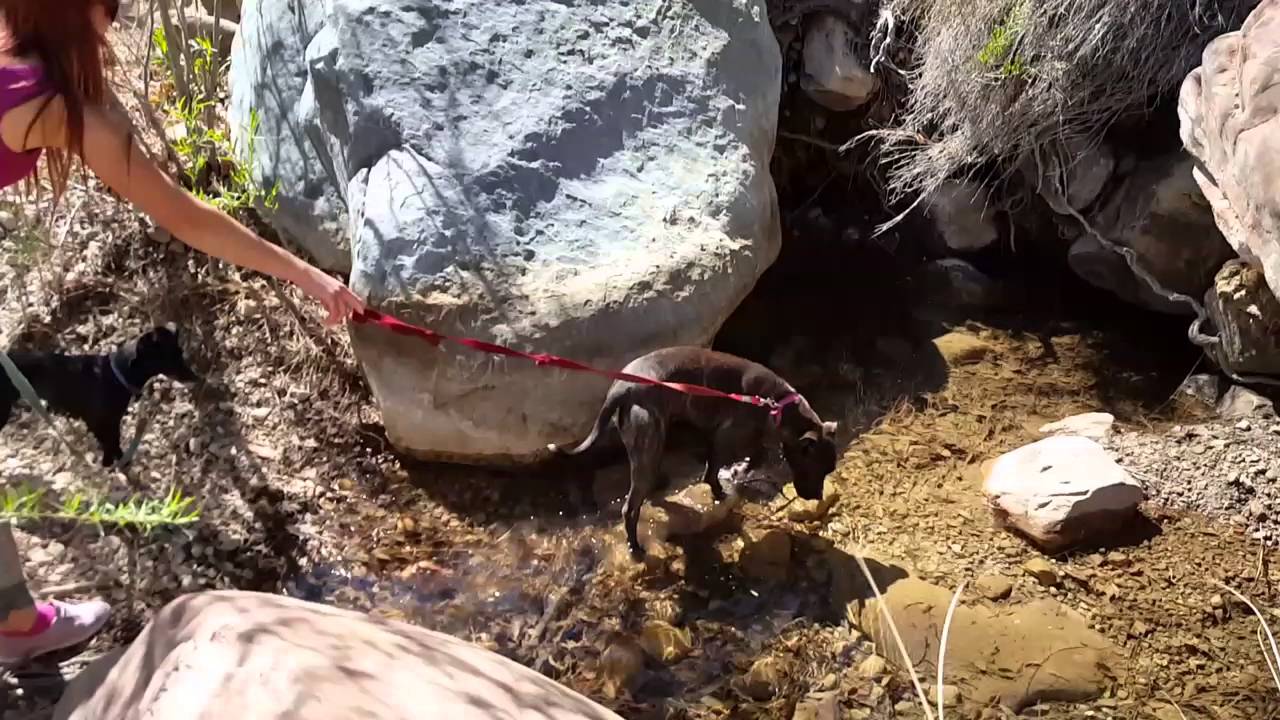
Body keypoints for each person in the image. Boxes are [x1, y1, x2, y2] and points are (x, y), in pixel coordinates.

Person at [0, 0, 365, 662]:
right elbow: (187, 217)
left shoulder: (28, 65)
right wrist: (307, 277)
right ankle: (16, 627)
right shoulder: (58, 106)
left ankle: (15, 624)